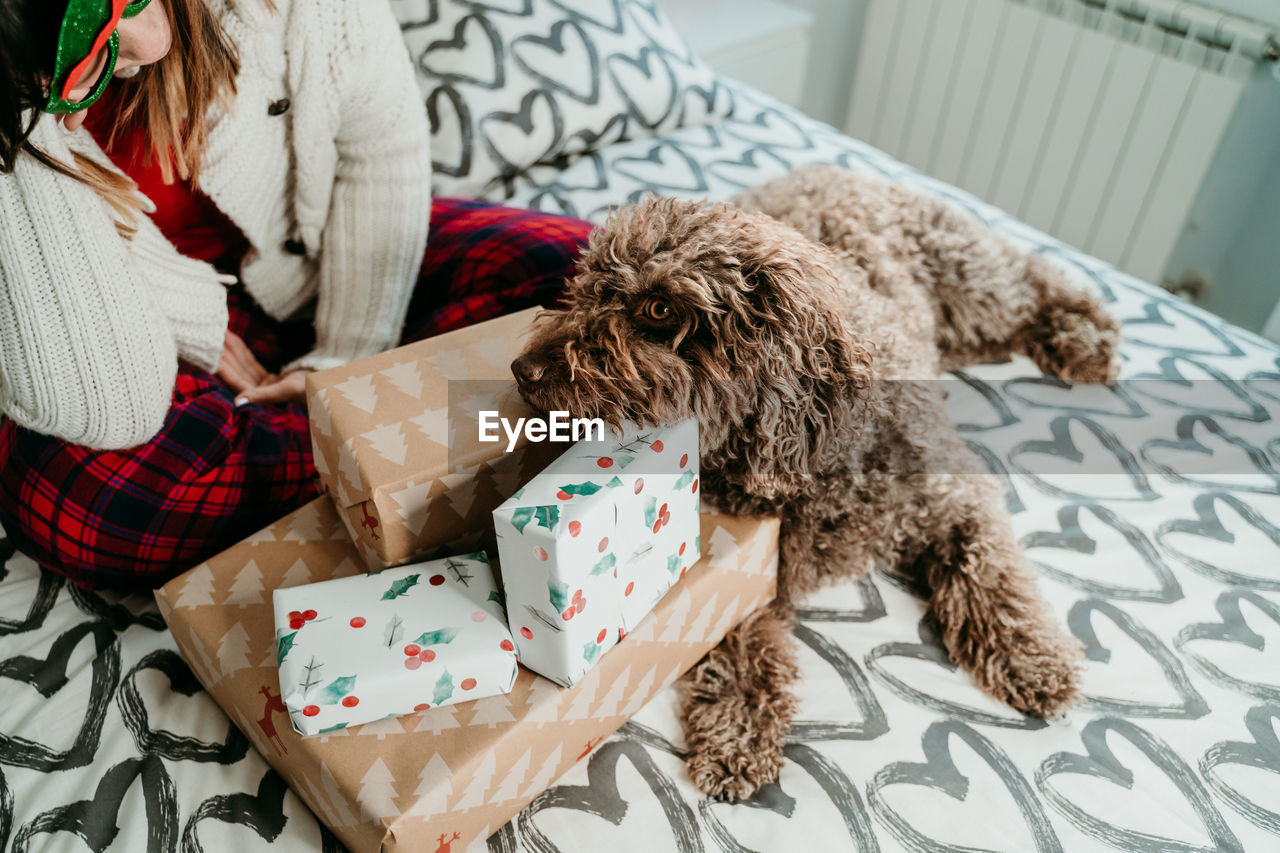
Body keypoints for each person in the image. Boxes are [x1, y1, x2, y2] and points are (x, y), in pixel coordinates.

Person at [0, 0, 593, 589]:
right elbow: (103, 400)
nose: (150, 41)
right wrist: (18, 124)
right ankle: (460, 451)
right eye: (82, 28)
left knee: (581, 280)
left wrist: (348, 358)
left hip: (314, 250)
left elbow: (379, 146)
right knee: (93, 505)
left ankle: (384, 468)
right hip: (121, 311)